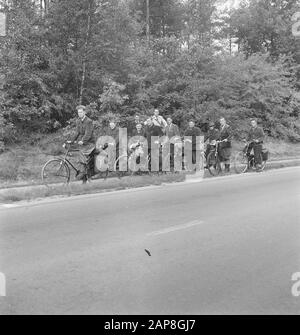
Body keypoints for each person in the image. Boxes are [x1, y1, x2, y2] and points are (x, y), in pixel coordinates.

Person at [67, 105, 95, 180]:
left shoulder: (89, 121)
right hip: (84, 143)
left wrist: (83, 141)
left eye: (81, 112)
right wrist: (71, 140)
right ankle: (84, 171)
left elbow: (88, 134)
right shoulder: (78, 121)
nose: (79, 114)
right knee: (79, 154)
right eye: (78, 112)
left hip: (89, 143)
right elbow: (77, 132)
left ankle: (83, 172)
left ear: (84, 112)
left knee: (81, 153)